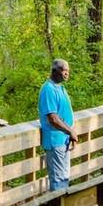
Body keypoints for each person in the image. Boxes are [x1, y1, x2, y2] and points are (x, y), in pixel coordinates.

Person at [37, 58, 80, 191]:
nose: (67, 73)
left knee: (64, 177)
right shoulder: (48, 89)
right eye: (64, 70)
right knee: (58, 179)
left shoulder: (60, 88)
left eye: (68, 71)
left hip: (64, 139)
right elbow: (53, 119)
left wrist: (70, 132)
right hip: (55, 141)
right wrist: (70, 131)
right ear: (54, 71)